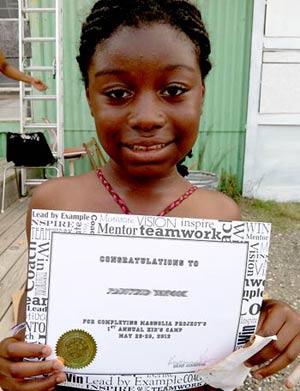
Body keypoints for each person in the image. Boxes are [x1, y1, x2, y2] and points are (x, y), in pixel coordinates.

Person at [0, 1, 299, 390]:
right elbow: (32, 325)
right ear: (89, 97)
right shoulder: (54, 204)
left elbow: (223, 347)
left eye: (174, 90)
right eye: (118, 92)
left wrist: (268, 323)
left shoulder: (220, 215)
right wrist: (13, 362)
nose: (146, 117)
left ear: (201, 94)